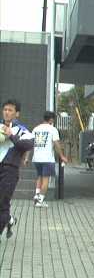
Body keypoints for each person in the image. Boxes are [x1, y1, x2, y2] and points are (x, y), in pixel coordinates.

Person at [0, 99, 34, 241]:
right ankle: (9, 220)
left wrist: (11, 136)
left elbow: (29, 144)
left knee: (2, 201)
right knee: (3, 204)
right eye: (5, 109)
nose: (7, 112)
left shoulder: (21, 129)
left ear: (17, 113)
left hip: (10, 170)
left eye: (10, 110)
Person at [31, 111, 69, 208]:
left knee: (39, 177)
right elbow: (56, 144)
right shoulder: (52, 129)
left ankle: (37, 195)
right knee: (46, 180)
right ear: (51, 119)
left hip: (36, 158)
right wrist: (62, 156)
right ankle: (40, 200)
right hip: (47, 159)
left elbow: (30, 143)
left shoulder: (35, 129)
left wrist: (26, 157)